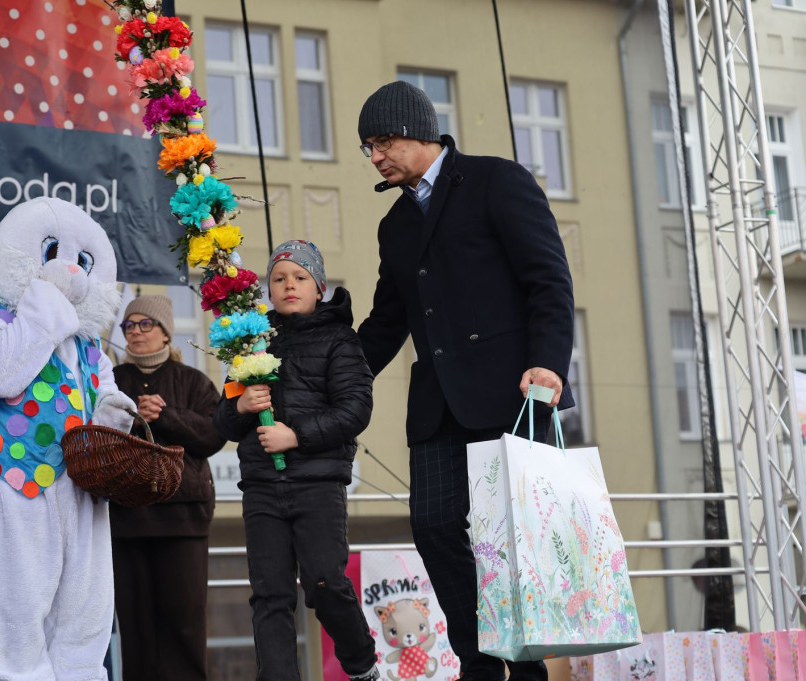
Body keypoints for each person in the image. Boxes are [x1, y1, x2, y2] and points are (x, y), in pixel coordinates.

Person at [355, 81, 575, 681]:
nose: (375, 156)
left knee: (513, 540)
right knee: (431, 524)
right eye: (367, 147)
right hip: (437, 404)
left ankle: (526, 671)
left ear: (418, 131)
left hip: (514, 393)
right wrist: (328, 377)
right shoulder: (395, 224)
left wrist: (550, 363)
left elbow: (548, 279)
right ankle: (479, 663)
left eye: (383, 142)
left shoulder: (496, 181)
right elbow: (386, 324)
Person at [0, 197, 137, 680]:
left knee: (87, 606)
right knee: (18, 599)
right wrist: (45, 308)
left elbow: (104, 389)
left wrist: (112, 411)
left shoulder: (87, 343)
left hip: (82, 484)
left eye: (82, 261)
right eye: (53, 251)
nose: (70, 269)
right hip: (14, 475)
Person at [214, 240, 380, 681]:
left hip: (318, 484)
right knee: (270, 596)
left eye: (300, 277)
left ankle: (361, 663)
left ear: (319, 287)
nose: (289, 285)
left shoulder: (340, 339)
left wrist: (295, 435)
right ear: (268, 291)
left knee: (326, 583)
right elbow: (223, 421)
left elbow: (355, 409)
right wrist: (240, 406)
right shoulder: (249, 344)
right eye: (279, 278)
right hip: (262, 487)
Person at [109, 294, 226, 681]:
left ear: (165, 333)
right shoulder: (112, 381)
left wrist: (167, 415)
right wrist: (131, 420)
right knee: (136, 629)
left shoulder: (193, 381)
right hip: (127, 519)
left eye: (146, 324)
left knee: (184, 625)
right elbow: (95, 435)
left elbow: (213, 434)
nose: (135, 332)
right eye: (129, 325)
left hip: (183, 518)